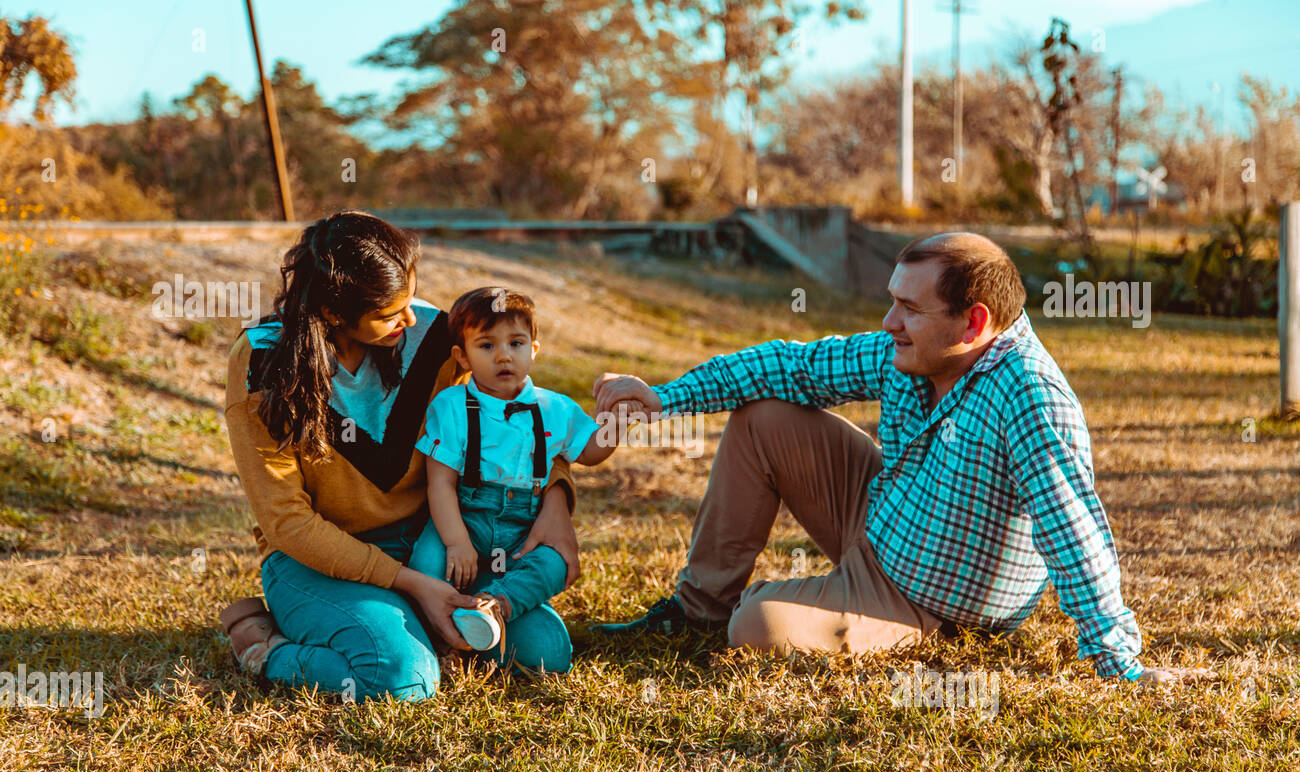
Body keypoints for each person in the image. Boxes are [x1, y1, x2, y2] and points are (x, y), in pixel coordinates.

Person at [591, 232, 1208, 684]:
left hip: (932, 599)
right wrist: (664, 398)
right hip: (885, 518)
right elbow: (792, 366)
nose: (890, 323)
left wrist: (1120, 663)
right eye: (893, 301)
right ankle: (697, 610)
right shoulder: (911, 351)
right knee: (762, 416)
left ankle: (781, 608)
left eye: (910, 309)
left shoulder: (1031, 397)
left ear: (974, 323)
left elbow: (1072, 530)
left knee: (756, 626)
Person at [220, 211, 582, 700]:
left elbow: (513, 410)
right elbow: (287, 521)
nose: (409, 318)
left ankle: (409, 625)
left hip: (434, 544)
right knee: (403, 678)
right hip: (317, 560)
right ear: (333, 313)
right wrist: (412, 584)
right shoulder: (263, 362)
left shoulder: (433, 335)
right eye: (390, 313)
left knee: (542, 655)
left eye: (410, 299)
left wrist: (556, 492)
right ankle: (263, 646)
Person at [409, 286, 616, 657]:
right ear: (463, 356)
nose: (504, 355)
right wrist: (457, 542)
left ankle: (495, 606)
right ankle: (438, 635)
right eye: (487, 345)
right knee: (427, 561)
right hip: (464, 518)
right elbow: (440, 483)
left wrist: (617, 418)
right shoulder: (452, 405)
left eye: (516, 343)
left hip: (523, 532)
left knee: (554, 563)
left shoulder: (555, 407)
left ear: (533, 349)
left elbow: (590, 452)